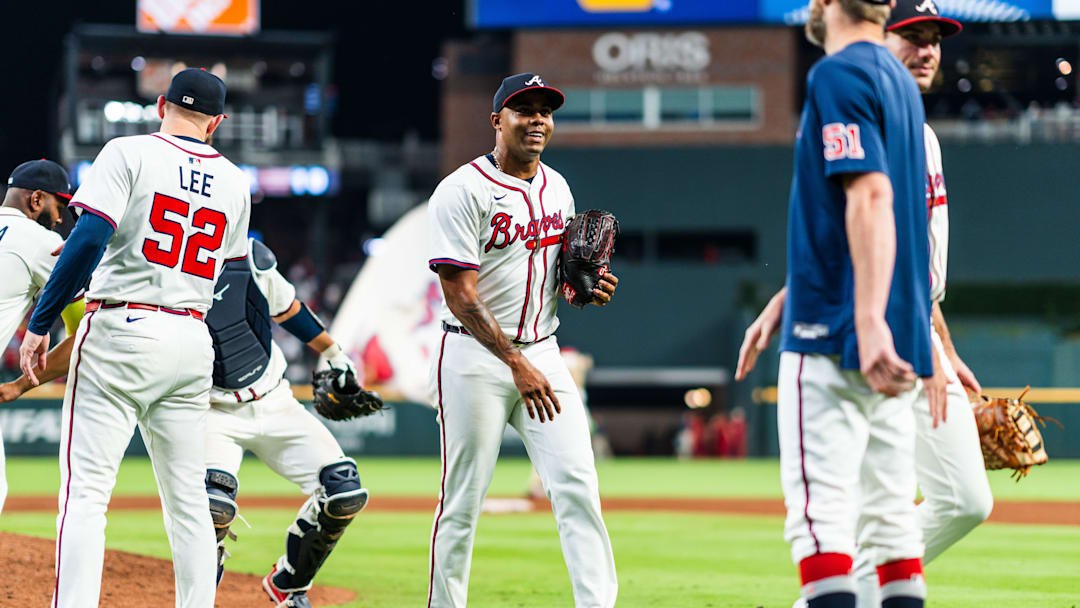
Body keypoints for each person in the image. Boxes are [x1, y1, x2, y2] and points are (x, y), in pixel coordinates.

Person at [18, 68, 250, 608]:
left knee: (86, 498)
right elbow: (234, 279)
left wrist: (40, 324)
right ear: (217, 122)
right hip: (192, 335)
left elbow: (89, 238)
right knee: (190, 503)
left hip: (122, 328)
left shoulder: (128, 151)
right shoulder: (237, 181)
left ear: (161, 104)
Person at [736, 1, 935, 607]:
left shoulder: (836, 74)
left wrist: (866, 320)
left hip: (835, 338)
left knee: (822, 534)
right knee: (896, 540)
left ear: (825, 3)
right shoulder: (902, 82)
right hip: (891, 345)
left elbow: (872, 198)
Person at [426, 73, 619, 608]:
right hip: (473, 357)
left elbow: (557, 277)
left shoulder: (557, 187)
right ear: (497, 121)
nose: (537, 119)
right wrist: (515, 363)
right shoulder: (461, 191)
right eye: (523, 109)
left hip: (542, 351)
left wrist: (583, 290)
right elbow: (460, 297)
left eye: (545, 111)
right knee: (461, 503)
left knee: (578, 487)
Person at [202, 237, 370, 608]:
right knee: (213, 507)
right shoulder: (164, 265)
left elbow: (287, 308)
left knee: (343, 490)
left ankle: (289, 584)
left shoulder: (249, 256)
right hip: (210, 410)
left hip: (275, 399)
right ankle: (197, 597)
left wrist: (332, 350)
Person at [0, 159, 80, 515]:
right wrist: (20, 385)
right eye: (58, 206)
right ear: (36, 200)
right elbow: (84, 330)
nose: (60, 218)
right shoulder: (42, 242)